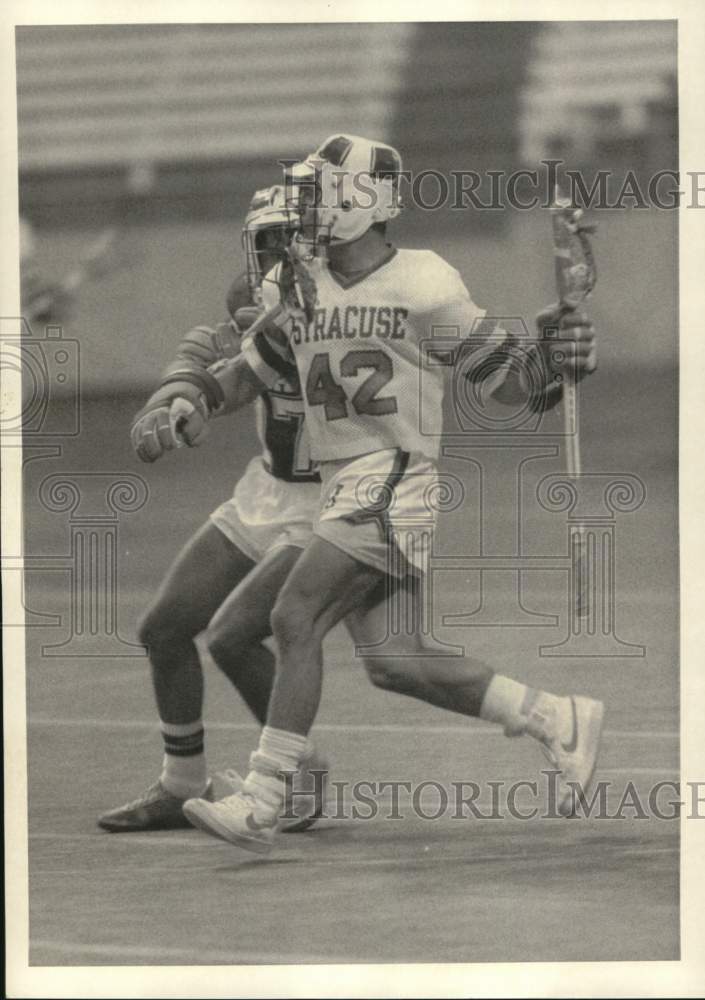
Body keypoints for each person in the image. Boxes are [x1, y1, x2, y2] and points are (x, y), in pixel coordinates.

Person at [158, 134, 603, 854]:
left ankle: (266, 796)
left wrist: (557, 357)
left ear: (363, 202)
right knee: (396, 662)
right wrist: (196, 401)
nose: (304, 206)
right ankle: (557, 717)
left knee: (293, 614)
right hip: (341, 486)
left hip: (393, 475)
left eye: (319, 191)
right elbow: (253, 367)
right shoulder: (296, 286)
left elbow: (512, 382)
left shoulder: (422, 283)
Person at [98, 187, 327, 833]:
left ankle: (297, 772)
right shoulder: (244, 313)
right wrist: (168, 409)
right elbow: (196, 361)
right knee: (164, 628)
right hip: (268, 490)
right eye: (268, 241)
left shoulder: (356, 316)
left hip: (335, 500)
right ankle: (181, 783)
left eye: (293, 237)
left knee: (236, 636)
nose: (281, 252)